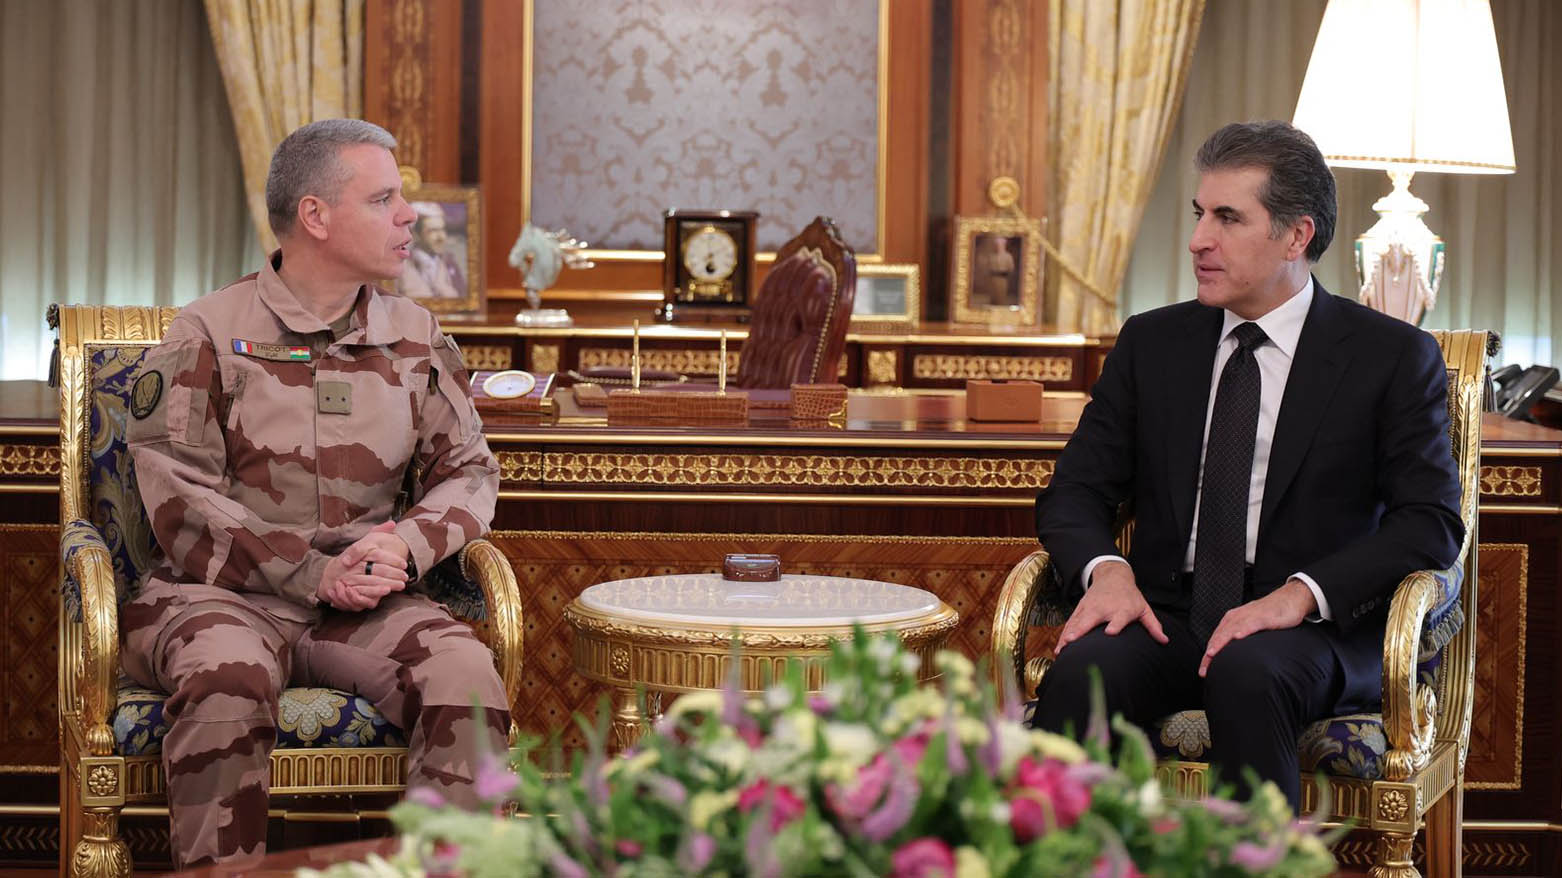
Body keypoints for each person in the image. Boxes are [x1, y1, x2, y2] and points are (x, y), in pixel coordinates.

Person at [1030, 120, 1463, 808]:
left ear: (1297, 235)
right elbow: (1074, 492)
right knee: (1086, 672)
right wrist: (1107, 573)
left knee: (1247, 672)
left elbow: (1430, 523)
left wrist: (1298, 594)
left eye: (1229, 218)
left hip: (1307, 629)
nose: (1200, 238)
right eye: (1200, 214)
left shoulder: (1389, 357)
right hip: (1167, 613)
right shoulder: (1153, 344)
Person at [122, 119, 508, 868]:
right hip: (219, 595)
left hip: (362, 603)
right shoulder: (206, 330)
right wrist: (312, 570)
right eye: (386, 198)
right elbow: (177, 495)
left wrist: (402, 542)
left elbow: (469, 470)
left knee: (464, 675)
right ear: (316, 216)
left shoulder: (416, 334)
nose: (409, 218)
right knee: (225, 679)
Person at [397, 202, 466, 299]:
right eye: (433, 231)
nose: (441, 237)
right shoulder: (402, 266)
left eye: (442, 230)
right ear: (416, 235)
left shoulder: (450, 263)